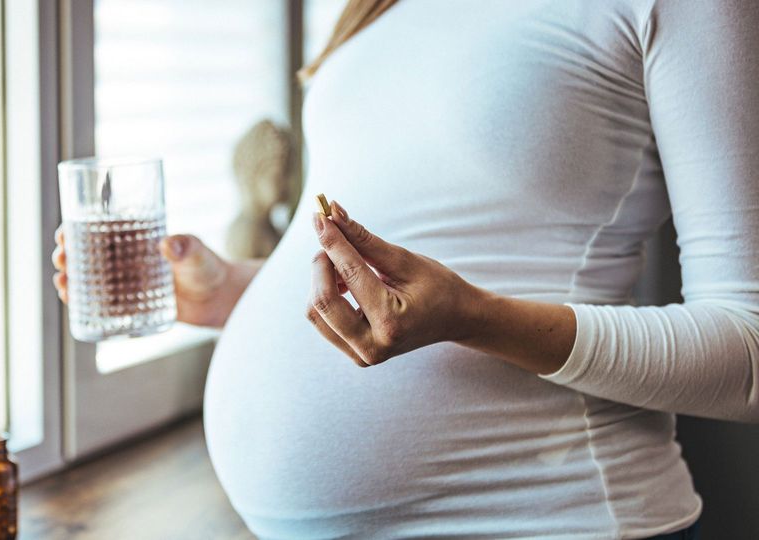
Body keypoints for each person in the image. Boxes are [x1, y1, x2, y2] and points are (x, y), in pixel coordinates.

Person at [53, 0, 758, 537]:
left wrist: (472, 318)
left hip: (546, 515)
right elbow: (405, 250)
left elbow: (749, 352)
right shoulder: (372, 9)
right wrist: (234, 292)